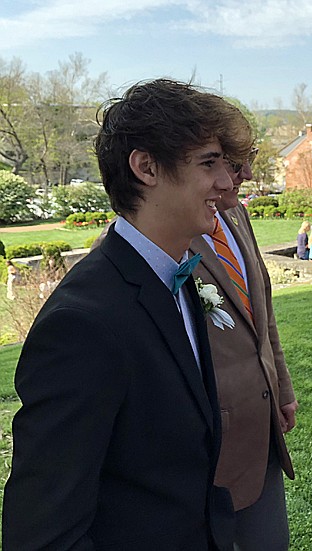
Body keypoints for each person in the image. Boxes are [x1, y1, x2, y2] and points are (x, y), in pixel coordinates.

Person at [3, 79, 253, 550]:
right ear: (146, 167)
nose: (227, 182)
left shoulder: (177, 276)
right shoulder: (81, 325)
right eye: (209, 163)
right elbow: (43, 531)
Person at [189, 151, 297, 551]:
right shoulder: (166, 232)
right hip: (207, 441)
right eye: (233, 164)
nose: (246, 175)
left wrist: (281, 388)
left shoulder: (237, 216)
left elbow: (262, 312)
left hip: (261, 425)